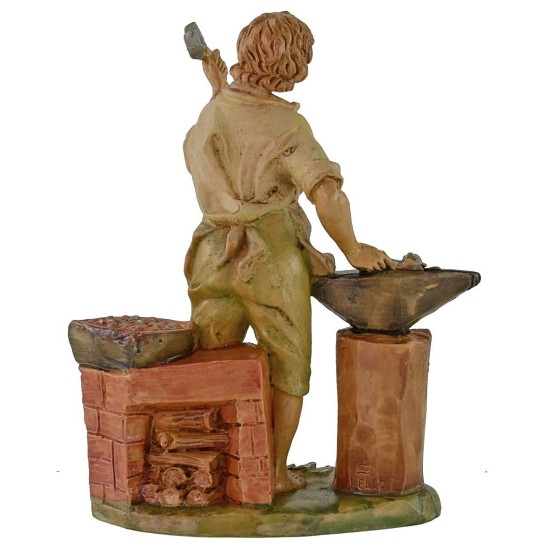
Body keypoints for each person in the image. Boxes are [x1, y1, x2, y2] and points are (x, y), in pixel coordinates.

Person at [184, 11, 394, 494]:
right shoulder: (287, 127)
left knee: (210, 360)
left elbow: (215, 142)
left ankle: (215, 469)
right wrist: (353, 248)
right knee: (288, 366)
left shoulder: (214, 111)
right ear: (293, 63)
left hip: (213, 254)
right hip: (270, 258)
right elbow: (326, 193)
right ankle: (273, 474)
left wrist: (218, 89)